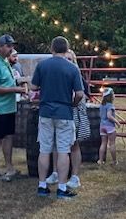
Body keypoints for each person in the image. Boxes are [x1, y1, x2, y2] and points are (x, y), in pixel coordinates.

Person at [29, 36, 84, 199]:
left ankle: (42, 185)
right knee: (63, 151)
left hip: (45, 112)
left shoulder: (42, 65)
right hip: (64, 113)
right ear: (67, 49)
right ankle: (61, 188)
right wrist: (72, 104)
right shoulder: (73, 68)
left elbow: (33, 87)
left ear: (51, 48)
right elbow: (80, 93)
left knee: (44, 149)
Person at [0, 35, 28, 180]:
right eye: (9, 46)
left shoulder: (4, 61)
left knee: (9, 136)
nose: (11, 49)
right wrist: (15, 90)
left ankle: (9, 167)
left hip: (9, 107)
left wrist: (21, 83)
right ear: (0, 46)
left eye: (12, 46)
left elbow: (9, 80)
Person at [61, 49, 90, 189]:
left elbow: (83, 95)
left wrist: (73, 104)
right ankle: (57, 172)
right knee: (58, 145)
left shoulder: (76, 75)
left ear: (74, 61)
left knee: (74, 144)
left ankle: (75, 176)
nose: (67, 62)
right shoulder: (59, 74)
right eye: (65, 59)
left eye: (70, 59)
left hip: (74, 112)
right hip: (62, 112)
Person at [97, 87, 118, 165]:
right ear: (110, 96)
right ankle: (114, 161)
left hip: (102, 126)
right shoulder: (110, 105)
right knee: (112, 143)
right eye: (113, 94)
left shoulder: (101, 105)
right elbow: (109, 116)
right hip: (109, 126)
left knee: (103, 143)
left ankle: (100, 160)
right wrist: (117, 122)